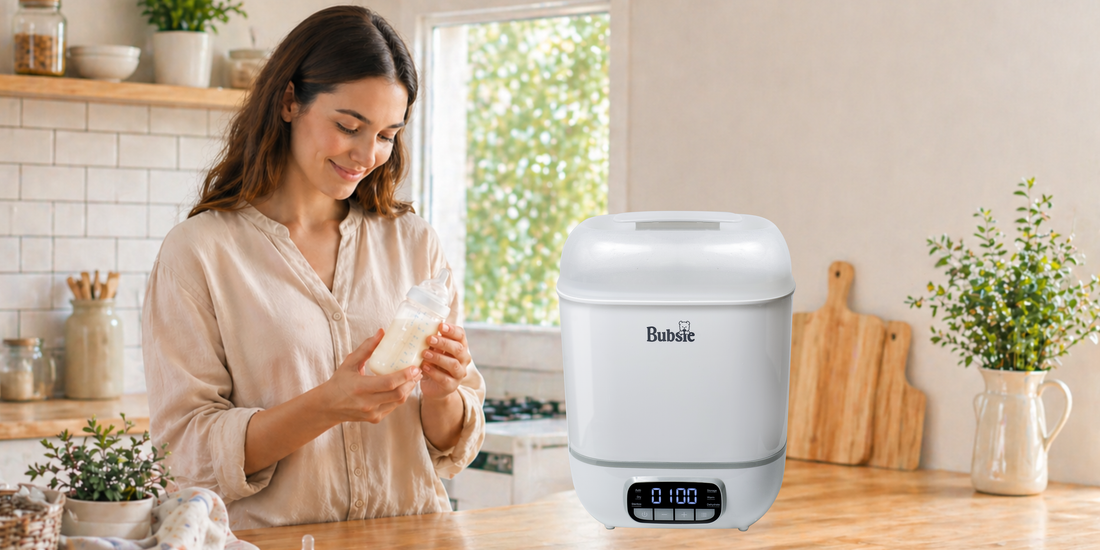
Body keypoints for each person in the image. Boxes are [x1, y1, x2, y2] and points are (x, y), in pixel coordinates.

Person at [142, 5, 485, 530]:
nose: (368, 154)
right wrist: (327, 404)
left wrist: (443, 393)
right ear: (288, 101)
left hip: (415, 539)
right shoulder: (200, 253)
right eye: (349, 126)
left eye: (388, 134)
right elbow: (186, 452)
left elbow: (452, 445)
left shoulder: (414, 244)